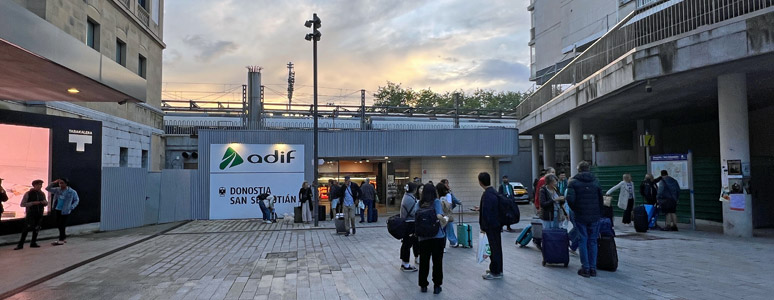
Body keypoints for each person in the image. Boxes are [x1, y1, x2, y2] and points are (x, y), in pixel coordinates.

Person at [566, 161, 603, 278]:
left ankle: (585, 268)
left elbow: (570, 199)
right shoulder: (596, 182)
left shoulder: (573, 183)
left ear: (579, 169)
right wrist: (598, 212)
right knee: (593, 241)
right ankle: (593, 268)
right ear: (589, 169)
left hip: (580, 215)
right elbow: (600, 199)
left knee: (583, 240)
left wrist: (576, 209)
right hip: (595, 215)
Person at [417, 183, 446, 294]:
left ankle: (423, 285)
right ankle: (437, 285)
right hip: (437, 236)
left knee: (424, 262)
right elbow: (440, 215)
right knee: (437, 262)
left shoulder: (419, 203)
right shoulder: (436, 202)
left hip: (423, 237)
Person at [478, 172, 503, 280]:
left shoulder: (487, 194)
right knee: (496, 248)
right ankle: (497, 269)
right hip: (496, 225)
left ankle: (495, 271)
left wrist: (483, 227)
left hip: (490, 226)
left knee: (493, 249)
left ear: (480, 182)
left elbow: (487, 213)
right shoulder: (494, 192)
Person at [15, 180, 48, 250]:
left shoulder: (42, 193)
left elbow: (45, 202)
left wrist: (44, 203)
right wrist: (33, 203)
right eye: (39, 185)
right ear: (34, 185)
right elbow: (22, 204)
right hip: (31, 214)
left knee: (37, 228)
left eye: (41, 185)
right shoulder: (28, 193)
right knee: (26, 229)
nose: (40, 186)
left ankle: (33, 242)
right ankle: (20, 244)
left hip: (39, 213)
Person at [47, 178, 79, 245]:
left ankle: (61, 239)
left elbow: (76, 200)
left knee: (62, 224)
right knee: (58, 224)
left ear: (66, 184)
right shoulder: (57, 190)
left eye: (62, 183)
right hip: (57, 209)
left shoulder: (72, 191)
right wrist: (53, 183)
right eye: (60, 183)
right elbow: (48, 189)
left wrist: (71, 207)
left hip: (65, 210)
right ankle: (63, 237)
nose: (60, 184)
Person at [399, 182, 420, 272]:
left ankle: (405, 263)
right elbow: (413, 212)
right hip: (410, 223)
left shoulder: (406, 196)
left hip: (407, 223)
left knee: (406, 244)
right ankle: (406, 264)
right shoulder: (410, 199)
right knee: (407, 244)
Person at [436, 183, 458, 249]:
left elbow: (448, 206)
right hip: (446, 216)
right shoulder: (446, 196)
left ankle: (452, 242)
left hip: (444, 216)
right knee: (446, 230)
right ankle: (452, 242)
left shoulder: (443, 197)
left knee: (445, 230)